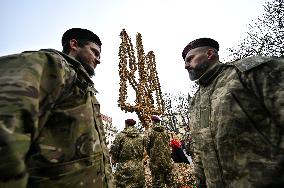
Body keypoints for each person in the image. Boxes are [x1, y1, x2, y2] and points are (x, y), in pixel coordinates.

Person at [0, 28, 114, 187]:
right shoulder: (52, 65)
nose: (98, 60)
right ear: (74, 44)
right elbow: (7, 125)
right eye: (94, 52)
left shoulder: (84, 89)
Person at [182, 37, 284, 188]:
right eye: (184, 62)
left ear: (210, 54)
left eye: (190, 59)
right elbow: (199, 149)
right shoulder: (196, 101)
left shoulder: (248, 71)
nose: (186, 66)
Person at [110, 119, 145, 188]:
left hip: (124, 168)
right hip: (138, 168)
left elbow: (114, 150)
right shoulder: (140, 137)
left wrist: (114, 159)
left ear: (126, 124)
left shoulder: (121, 136)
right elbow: (142, 151)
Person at [145, 115, 174, 188]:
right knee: (170, 182)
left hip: (155, 161)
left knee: (158, 183)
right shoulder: (165, 131)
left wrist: (151, 154)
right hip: (167, 160)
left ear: (153, 121)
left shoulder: (150, 132)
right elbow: (169, 143)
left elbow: (147, 146)